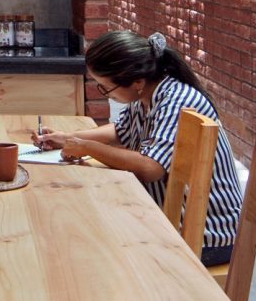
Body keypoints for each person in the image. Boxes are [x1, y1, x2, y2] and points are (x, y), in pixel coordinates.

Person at [32, 30, 244, 267]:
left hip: (208, 234)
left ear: (137, 82)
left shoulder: (177, 101)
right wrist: (68, 137)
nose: (104, 93)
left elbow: (151, 167)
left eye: (105, 87)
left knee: (94, 245)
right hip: (173, 217)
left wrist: (87, 147)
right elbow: (119, 131)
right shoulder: (147, 94)